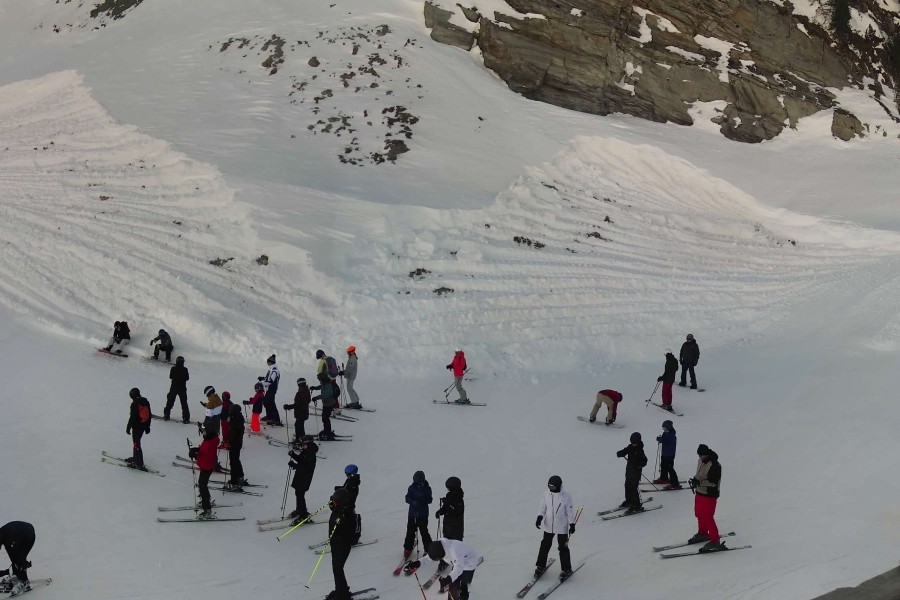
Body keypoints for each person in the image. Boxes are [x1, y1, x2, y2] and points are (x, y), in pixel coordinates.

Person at [404, 539, 482, 600]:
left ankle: (464, 595)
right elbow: (429, 557)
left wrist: (448, 579)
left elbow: (458, 569)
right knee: (453, 584)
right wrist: (417, 563)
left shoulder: (455, 552)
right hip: (457, 562)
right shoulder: (440, 545)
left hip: (469, 563)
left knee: (463, 582)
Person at [534, 475, 576, 580]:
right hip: (549, 526)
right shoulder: (546, 494)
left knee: (563, 547)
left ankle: (566, 569)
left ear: (558, 486)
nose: (550, 488)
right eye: (549, 486)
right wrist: (539, 517)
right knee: (545, 545)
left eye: (552, 486)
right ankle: (540, 566)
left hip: (562, 526)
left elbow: (569, 512)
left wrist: (572, 524)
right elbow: (543, 508)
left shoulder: (566, 496)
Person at [689, 444, 724, 552]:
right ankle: (703, 533)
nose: (700, 457)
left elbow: (713, 482)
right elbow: (700, 474)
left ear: (707, 454)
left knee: (708, 517)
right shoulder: (700, 460)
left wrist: (699, 482)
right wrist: (695, 480)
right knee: (699, 514)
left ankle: (715, 541)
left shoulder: (715, 465)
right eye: (699, 455)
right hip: (700, 492)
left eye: (702, 455)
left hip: (709, 494)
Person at [325, 487, 358, 600]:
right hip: (335, 543)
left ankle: (343, 594)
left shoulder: (347, 514)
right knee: (336, 568)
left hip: (342, 545)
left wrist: (338, 538)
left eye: (336, 501)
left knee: (338, 568)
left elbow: (348, 533)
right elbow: (331, 505)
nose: (333, 502)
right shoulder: (339, 509)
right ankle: (340, 589)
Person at [189, 426, 220, 519]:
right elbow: (203, 450)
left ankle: (207, 510)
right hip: (206, 465)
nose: (203, 433)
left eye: (204, 431)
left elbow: (206, 456)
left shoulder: (210, 442)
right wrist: (196, 450)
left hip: (207, 466)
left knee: (202, 486)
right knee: (203, 484)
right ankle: (206, 500)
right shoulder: (209, 439)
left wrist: (196, 456)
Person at [288, 435, 318, 524]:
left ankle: (303, 515)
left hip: (305, 477)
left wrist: (294, 465)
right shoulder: (306, 451)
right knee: (298, 493)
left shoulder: (310, 454)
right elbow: (301, 460)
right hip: (300, 476)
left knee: (300, 494)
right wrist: (293, 455)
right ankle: (300, 509)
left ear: (308, 444)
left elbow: (305, 468)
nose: (302, 446)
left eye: (303, 444)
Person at [403, 470, 433, 558]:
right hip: (412, 514)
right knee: (410, 530)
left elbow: (430, 500)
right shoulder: (412, 487)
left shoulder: (427, 488)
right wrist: (412, 501)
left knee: (424, 531)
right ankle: (408, 548)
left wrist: (421, 499)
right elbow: (407, 498)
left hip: (423, 514)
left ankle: (428, 549)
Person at [0, 521, 35, 597]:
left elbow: (19, 555)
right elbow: (11, 554)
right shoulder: (3, 537)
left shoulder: (8, 535)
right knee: (15, 558)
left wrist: (23, 564)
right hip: (19, 536)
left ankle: (24, 583)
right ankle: (16, 575)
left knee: (20, 557)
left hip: (28, 536)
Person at [616, 432, 648, 513]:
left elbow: (644, 461)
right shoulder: (630, 447)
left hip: (636, 472)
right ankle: (629, 500)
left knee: (633, 488)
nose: (633, 444)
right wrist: (620, 453)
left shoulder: (640, 450)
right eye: (632, 442)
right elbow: (625, 451)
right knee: (627, 486)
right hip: (629, 471)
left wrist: (639, 465)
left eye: (634, 442)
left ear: (638, 441)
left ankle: (636, 505)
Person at [125, 387, 151, 470]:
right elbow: (149, 415)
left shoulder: (135, 404)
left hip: (137, 428)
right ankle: (136, 458)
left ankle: (139, 464)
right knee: (136, 443)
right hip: (142, 427)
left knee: (136, 444)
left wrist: (128, 427)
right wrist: (147, 427)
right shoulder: (145, 401)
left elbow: (132, 417)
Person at [224, 404, 247, 491]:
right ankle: (240, 477)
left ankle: (234, 482)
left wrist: (229, 440)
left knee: (233, 462)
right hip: (237, 442)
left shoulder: (235, 420)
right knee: (236, 460)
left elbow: (234, 432)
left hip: (235, 443)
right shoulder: (238, 418)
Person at [654, 420, 681, 489]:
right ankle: (664, 478)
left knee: (670, 469)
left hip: (669, 455)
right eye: (663, 428)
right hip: (665, 454)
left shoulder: (672, 435)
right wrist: (660, 439)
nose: (664, 430)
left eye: (665, 428)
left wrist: (661, 440)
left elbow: (667, 440)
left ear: (669, 427)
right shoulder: (665, 433)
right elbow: (664, 439)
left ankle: (675, 483)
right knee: (663, 466)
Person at [284, 378, 312, 443]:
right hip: (304, 412)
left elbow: (297, 404)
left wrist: (288, 406)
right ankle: (302, 439)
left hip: (300, 413)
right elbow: (308, 400)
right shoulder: (307, 391)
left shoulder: (300, 393)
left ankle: (298, 440)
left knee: (298, 426)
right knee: (300, 426)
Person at [164, 356, 190, 423]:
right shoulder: (185, 369)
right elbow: (187, 378)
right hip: (182, 388)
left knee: (170, 401)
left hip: (174, 387)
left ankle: (166, 414)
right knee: (184, 403)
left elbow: (171, 376)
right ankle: (186, 418)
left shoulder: (173, 368)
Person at [259, 354, 282, 425]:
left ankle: (276, 419)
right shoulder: (271, 369)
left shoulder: (274, 370)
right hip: (269, 388)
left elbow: (271, 381)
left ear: (270, 362)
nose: (267, 363)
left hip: (272, 389)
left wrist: (262, 384)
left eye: (268, 362)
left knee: (271, 403)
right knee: (266, 402)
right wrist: (263, 378)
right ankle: (269, 416)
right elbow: (269, 378)